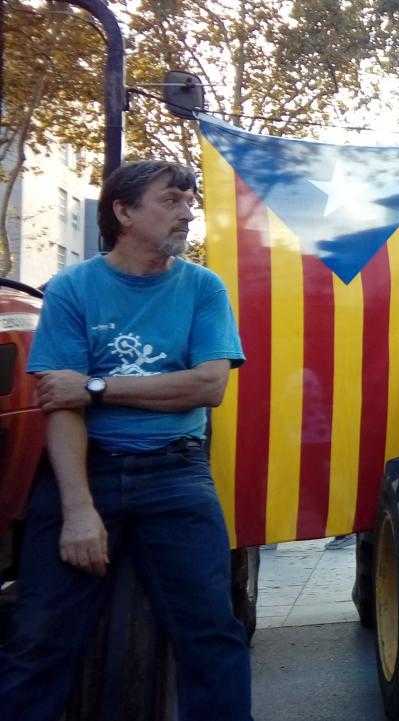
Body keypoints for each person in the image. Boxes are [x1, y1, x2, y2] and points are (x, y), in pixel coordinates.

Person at [0, 161, 252, 721]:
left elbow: (209, 386)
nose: (188, 212)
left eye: (190, 201)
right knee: (39, 640)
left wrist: (95, 387)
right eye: (172, 200)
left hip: (177, 472)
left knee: (212, 635)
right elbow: (57, 406)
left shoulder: (204, 288)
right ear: (123, 211)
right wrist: (78, 511)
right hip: (86, 469)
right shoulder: (72, 289)